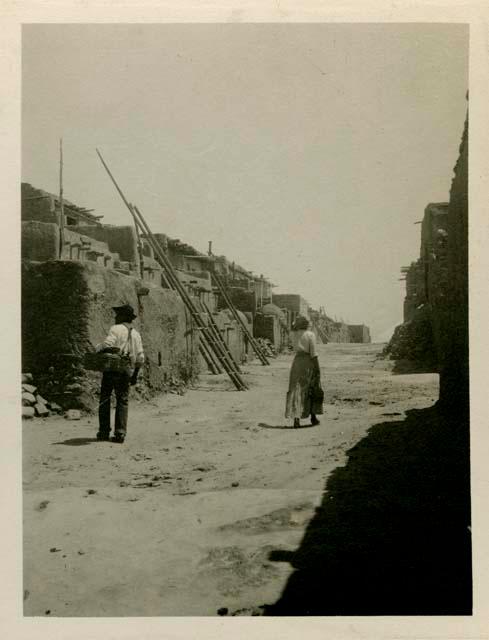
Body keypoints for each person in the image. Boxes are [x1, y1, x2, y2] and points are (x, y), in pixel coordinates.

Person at [96, 304, 144, 443]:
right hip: (126, 371)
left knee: (105, 399)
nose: (116, 317)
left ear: (123, 316)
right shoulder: (136, 334)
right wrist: (134, 375)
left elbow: (108, 344)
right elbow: (140, 357)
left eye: (118, 315)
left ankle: (104, 432)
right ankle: (120, 433)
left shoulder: (115, 329)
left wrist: (98, 349)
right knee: (122, 400)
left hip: (112, 369)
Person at [285, 315, 323, 428]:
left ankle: (296, 419)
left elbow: (291, 330)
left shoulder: (293, 334)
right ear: (306, 324)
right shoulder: (310, 335)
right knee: (310, 388)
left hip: (297, 363)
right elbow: (313, 354)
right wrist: (317, 368)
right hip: (308, 362)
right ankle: (313, 417)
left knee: (296, 389)